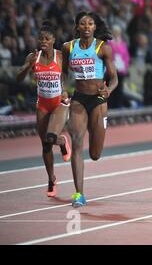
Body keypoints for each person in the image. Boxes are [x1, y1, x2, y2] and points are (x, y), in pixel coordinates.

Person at [62, 11, 118, 207]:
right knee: (77, 142)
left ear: (95, 27)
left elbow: (114, 78)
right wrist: (63, 90)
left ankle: (97, 132)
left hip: (99, 100)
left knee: (95, 154)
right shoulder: (68, 47)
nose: (86, 27)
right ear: (77, 27)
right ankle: (79, 194)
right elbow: (62, 73)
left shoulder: (103, 49)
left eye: (90, 24)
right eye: (83, 24)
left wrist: (109, 90)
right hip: (79, 99)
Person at [16, 20, 71, 198]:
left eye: (47, 39)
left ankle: (62, 142)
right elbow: (18, 79)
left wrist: (65, 89)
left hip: (59, 103)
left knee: (50, 137)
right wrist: (26, 66)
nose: (43, 42)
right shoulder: (33, 57)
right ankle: (51, 179)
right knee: (46, 145)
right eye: (41, 39)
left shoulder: (61, 56)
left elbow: (72, 74)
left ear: (53, 39)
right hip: (43, 104)